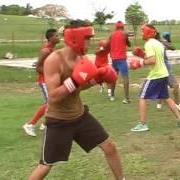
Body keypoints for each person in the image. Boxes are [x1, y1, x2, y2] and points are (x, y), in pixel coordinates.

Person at [27, 20, 125, 180]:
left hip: (80, 116)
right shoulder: (54, 60)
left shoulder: (82, 58)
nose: (89, 42)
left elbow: (80, 87)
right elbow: (53, 96)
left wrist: (96, 80)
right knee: (45, 165)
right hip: (58, 120)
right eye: (86, 38)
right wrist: (75, 80)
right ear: (74, 37)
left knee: (110, 147)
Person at [129, 24, 180, 132]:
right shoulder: (158, 43)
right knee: (166, 98)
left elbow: (153, 60)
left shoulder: (149, 44)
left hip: (156, 75)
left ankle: (142, 124)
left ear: (148, 32)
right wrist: (142, 55)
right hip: (164, 74)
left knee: (142, 97)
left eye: (143, 31)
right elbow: (153, 57)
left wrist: (139, 63)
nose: (141, 34)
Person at [23, 28, 60, 137]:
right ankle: (30, 124)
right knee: (51, 102)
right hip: (44, 81)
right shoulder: (46, 50)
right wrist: (50, 73)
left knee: (52, 102)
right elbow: (38, 67)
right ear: (50, 38)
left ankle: (46, 124)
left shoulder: (52, 49)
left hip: (50, 80)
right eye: (56, 36)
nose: (59, 38)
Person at [156, 32, 180, 111]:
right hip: (164, 66)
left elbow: (172, 47)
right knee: (175, 85)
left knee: (162, 84)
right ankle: (177, 104)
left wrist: (163, 42)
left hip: (160, 67)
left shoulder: (158, 42)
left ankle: (159, 103)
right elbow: (172, 47)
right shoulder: (158, 43)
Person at [109, 21, 132, 103]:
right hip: (121, 59)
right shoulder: (124, 33)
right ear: (122, 26)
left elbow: (108, 45)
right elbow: (129, 44)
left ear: (115, 26)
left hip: (114, 59)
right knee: (125, 78)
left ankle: (112, 95)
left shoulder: (111, 35)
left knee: (114, 77)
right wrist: (127, 39)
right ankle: (126, 98)